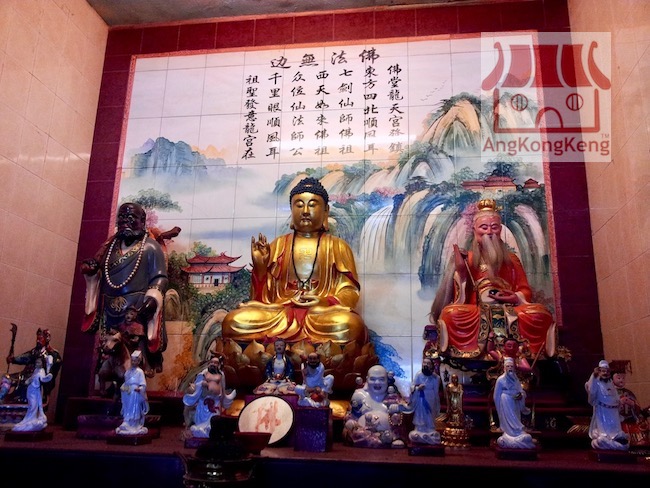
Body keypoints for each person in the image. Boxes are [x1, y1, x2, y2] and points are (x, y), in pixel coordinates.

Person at [222, 177, 368, 346]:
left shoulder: (337, 246)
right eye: (299, 205)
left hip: (319, 315)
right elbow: (261, 300)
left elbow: (350, 292)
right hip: (280, 313)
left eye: (312, 205)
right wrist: (260, 268)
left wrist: (324, 301)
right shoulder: (278, 245)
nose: (305, 211)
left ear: (325, 211)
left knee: (350, 325)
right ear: (292, 210)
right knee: (233, 321)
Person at [430, 199, 555, 360]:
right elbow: (459, 298)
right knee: (451, 314)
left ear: (500, 229)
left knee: (540, 313)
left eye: (494, 227)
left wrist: (515, 297)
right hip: (477, 311)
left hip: (510, 309)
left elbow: (524, 289)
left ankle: (519, 351)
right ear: (475, 230)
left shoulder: (511, 259)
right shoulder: (468, 258)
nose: (489, 232)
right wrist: (460, 271)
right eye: (484, 227)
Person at [81, 202, 168, 374]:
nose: (125, 221)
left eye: (131, 217)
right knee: (108, 352)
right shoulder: (108, 249)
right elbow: (98, 275)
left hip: (136, 310)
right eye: (121, 217)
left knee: (135, 353)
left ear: (142, 221)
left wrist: (153, 298)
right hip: (110, 310)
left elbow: (160, 277)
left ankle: (137, 378)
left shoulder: (150, 247)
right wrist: (92, 272)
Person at [342, 364, 408, 448]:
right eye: (373, 379)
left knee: (396, 416)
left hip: (388, 433)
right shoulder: (359, 395)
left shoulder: (393, 397)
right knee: (355, 431)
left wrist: (397, 409)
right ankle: (380, 440)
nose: (377, 383)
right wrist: (350, 422)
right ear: (367, 379)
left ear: (387, 380)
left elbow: (403, 416)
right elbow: (351, 415)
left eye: (381, 379)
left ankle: (392, 439)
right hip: (363, 432)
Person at [4, 328, 62, 406]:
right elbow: (24, 357)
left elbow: (54, 369)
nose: (38, 341)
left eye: (40, 339)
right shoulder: (34, 351)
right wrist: (13, 359)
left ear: (46, 339)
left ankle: (24, 400)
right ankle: (2, 399)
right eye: (37, 339)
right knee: (6, 378)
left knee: (30, 383)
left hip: (37, 379)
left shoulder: (53, 354)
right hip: (25, 375)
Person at [183, 356, 237, 438]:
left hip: (216, 402)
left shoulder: (221, 374)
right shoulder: (203, 373)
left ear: (219, 365)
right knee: (200, 421)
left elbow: (222, 387)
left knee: (214, 420)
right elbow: (197, 384)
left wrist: (223, 397)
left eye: (216, 363)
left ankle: (210, 431)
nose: (213, 364)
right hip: (204, 402)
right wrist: (202, 384)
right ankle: (199, 430)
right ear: (209, 363)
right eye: (212, 362)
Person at [584, 360, 629, 451]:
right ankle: (605, 439)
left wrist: (618, 402)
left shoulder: (610, 383)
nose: (605, 373)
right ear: (599, 371)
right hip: (603, 411)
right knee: (604, 430)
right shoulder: (596, 382)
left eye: (607, 371)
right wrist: (594, 376)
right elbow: (591, 391)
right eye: (603, 371)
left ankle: (617, 438)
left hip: (614, 411)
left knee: (616, 428)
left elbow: (615, 395)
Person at [493, 357, 536, 449]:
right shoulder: (500, 380)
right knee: (508, 418)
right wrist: (499, 408)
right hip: (505, 401)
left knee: (515, 417)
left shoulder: (516, 379)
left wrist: (520, 395)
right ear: (504, 368)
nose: (510, 368)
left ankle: (517, 433)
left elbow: (521, 391)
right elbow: (496, 395)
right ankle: (509, 434)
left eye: (511, 366)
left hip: (515, 401)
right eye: (508, 366)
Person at [610, 360, 649, 448]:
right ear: (612, 379)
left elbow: (638, 409)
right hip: (618, 423)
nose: (621, 380)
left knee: (640, 436)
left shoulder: (628, 392)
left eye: (623, 378)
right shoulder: (610, 394)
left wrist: (632, 403)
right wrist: (619, 403)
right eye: (619, 378)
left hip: (631, 422)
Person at [11, 356, 53, 432]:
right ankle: (28, 420)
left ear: (42, 363)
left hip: (35, 390)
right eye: (36, 362)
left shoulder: (42, 371)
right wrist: (28, 380)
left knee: (33, 406)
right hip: (31, 390)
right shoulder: (36, 370)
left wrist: (48, 376)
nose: (37, 364)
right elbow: (31, 379)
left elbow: (43, 379)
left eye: (38, 362)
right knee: (32, 405)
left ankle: (30, 419)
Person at [408, 357, 442, 445]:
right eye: (424, 363)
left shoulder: (436, 377)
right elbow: (412, 386)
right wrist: (418, 388)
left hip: (431, 397)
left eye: (428, 363)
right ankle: (420, 428)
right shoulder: (419, 375)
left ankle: (430, 428)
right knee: (421, 413)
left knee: (430, 413)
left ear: (432, 365)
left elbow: (436, 392)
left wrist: (437, 402)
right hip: (421, 397)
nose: (426, 365)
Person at [116, 350, 149, 435]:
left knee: (134, 408)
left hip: (135, 393)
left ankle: (134, 423)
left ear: (138, 361)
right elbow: (126, 382)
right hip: (128, 392)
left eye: (135, 361)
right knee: (127, 406)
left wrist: (140, 389)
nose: (134, 362)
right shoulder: (128, 371)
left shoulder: (140, 372)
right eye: (132, 361)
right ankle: (126, 421)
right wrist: (123, 388)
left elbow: (143, 384)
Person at [442, 373, 470, 448]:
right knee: (452, 415)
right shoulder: (449, 386)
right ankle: (452, 421)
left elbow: (461, 395)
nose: (455, 380)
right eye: (453, 378)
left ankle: (458, 422)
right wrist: (448, 407)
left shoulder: (459, 386)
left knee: (458, 415)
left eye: (456, 378)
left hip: (458, 402)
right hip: (452, 402)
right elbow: (447, 396)